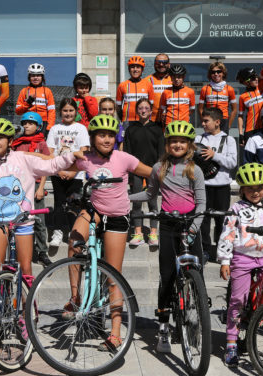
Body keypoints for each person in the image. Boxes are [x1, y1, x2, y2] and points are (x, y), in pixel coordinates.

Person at [0, 118, 85, 336]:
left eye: (0, 138)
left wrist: (71, 156)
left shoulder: (23, 158)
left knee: (26, 270)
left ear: (10, 140)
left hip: (24, 222)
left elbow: (50, 165)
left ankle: (27, 316)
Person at [66, 114, 152, 351]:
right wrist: (70, 157)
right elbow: (59, 167)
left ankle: (114, 333)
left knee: (113, 276)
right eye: (101, 135)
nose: (106, 139)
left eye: (110, 135)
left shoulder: (123, 158)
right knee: (74, 242)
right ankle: (75, 299)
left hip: (116, 217)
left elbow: (151, 173)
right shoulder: (87, 159)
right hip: (93, 211)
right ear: (92, 138)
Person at [129, 121, 206, 353]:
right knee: (167, 276)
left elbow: (202, 204)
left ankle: (194, 322)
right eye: (173, 141)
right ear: (167, 144)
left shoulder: (195, 169)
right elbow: (150, 193)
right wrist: (126, 199)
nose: (177, 145)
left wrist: (193, 229)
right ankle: (164, 327)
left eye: (182, 141)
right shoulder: (158, 168)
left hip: (191, 225)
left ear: (189, 145)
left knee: (197, 276)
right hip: (168, 225)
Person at [218, 163, 263, 367]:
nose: (255, 192)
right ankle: (232, 342)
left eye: (259, 187)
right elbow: (227, 235)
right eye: (250, 188)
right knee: (237, 300)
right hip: (242, 259)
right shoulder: (236, 209)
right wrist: (225, 260)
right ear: (242, 189)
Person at [194, 107, 237, 262]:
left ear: (217, 122)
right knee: (204, 220)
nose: (203, 124)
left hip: (222, 187)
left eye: (206, 121)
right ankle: (205, 250)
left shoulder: (228, 140)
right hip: (203, 186)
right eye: (203, 121)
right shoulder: (199, 140)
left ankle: (221, 251)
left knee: (221, 220)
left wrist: (215, 155)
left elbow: (232, 163)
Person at [46, 98, 90, 247]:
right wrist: (58, 170)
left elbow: (84, 151)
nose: (68, 113)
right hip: (58, 173)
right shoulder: (54, 128)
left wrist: (72, 171)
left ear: (76, 112)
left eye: (71, 110)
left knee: (74, 204)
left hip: (75, 174)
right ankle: (57, 233)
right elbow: (50, 151)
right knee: (59, 203)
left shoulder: (81, 128)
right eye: (65, 110)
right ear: (60, 112)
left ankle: (74, 232)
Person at [10, 111, 52, 267]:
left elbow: (46, 167)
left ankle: (42, 252)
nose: (26, 125)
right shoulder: (16, 142)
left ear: (38, 126)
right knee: (18, 218)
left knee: (39, 221)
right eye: (24, 123)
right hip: (19, 186)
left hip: (35, 185)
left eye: (30, 123)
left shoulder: (41, 143)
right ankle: (17, 250)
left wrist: (41, 188)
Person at [123, 98, 164, 246]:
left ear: (151, 111)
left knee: (153, 202)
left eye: (146, 108)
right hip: (136, 171)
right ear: (136, 110)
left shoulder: (157, 129)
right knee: (137, 203)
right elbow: (127, 153)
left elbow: (161, 152)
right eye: (140, 108)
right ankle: (138, 232)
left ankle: (153, 233)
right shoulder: (131, 129)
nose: (143, 110)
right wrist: (129, 174)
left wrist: (159, 170)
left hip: (153, 171)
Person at [198, 62, 237, 133]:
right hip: (210, 119)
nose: (216, 74)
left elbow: (234, 109)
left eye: (219, 72)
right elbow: (200, 109)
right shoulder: (205, 89)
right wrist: (204, 121)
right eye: (213, 72)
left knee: (222, 143)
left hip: (224, 120)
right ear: (210, 74)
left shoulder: (229, 89)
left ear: (223, 73)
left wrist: (228, 125)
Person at [15, 63, 56, 131]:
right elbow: (18, 111)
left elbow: (51, 111)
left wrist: (49, 127)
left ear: (42, 77)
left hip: (43, 123)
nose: (35, 78)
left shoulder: (47, 91)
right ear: (29, 77)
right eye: (33, 75)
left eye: (38, 75)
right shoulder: (24, 91)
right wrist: (28, 102)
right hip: (28, 122)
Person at [116, 56, 154, 123]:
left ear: (142, 69)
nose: (135, 69)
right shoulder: (122, 85)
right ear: (129, 69)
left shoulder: (148, 85)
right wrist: (123, 119)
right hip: (127, 121)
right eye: (132, 67)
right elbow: (118, 107)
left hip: (143, 121)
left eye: (138, 67)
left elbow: (151, 106)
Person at [236, 67, 263, 147]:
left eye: (256, 76)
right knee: (250, 157)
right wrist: (241, 133)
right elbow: (240, 116)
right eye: (252, 78)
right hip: (250, 130)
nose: (256, 79)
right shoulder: (243, 97)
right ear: (246, 82)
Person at [144, 53, 172, 123]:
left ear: (169, 64)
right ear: (154, 64)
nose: (161, 64)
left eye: (164, 62)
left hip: (169, 119)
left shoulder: (174, 80)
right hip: (151, 120)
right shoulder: (147, 80)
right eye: (158, 62)